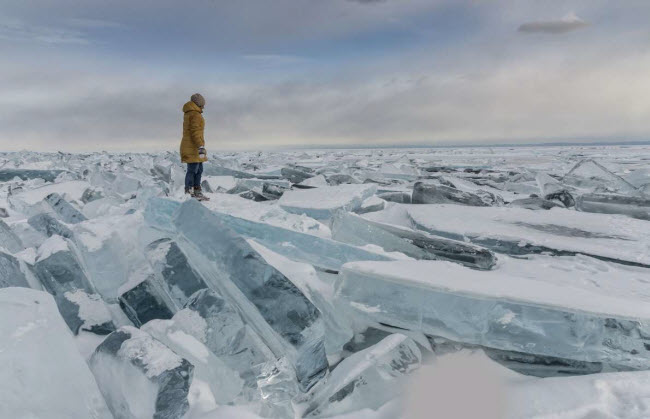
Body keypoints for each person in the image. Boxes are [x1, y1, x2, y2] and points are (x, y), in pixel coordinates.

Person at [180, 93, 210, 201]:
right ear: (199, 103)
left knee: (198, 169)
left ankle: (196, 191)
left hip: (192, 146)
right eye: (202, 104)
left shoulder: (191, 113)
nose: (204, 106)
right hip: (193, 146)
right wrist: (200, 146)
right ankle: (190, 192)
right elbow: (195, 132)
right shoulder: (195, 114)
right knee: (193, 170)